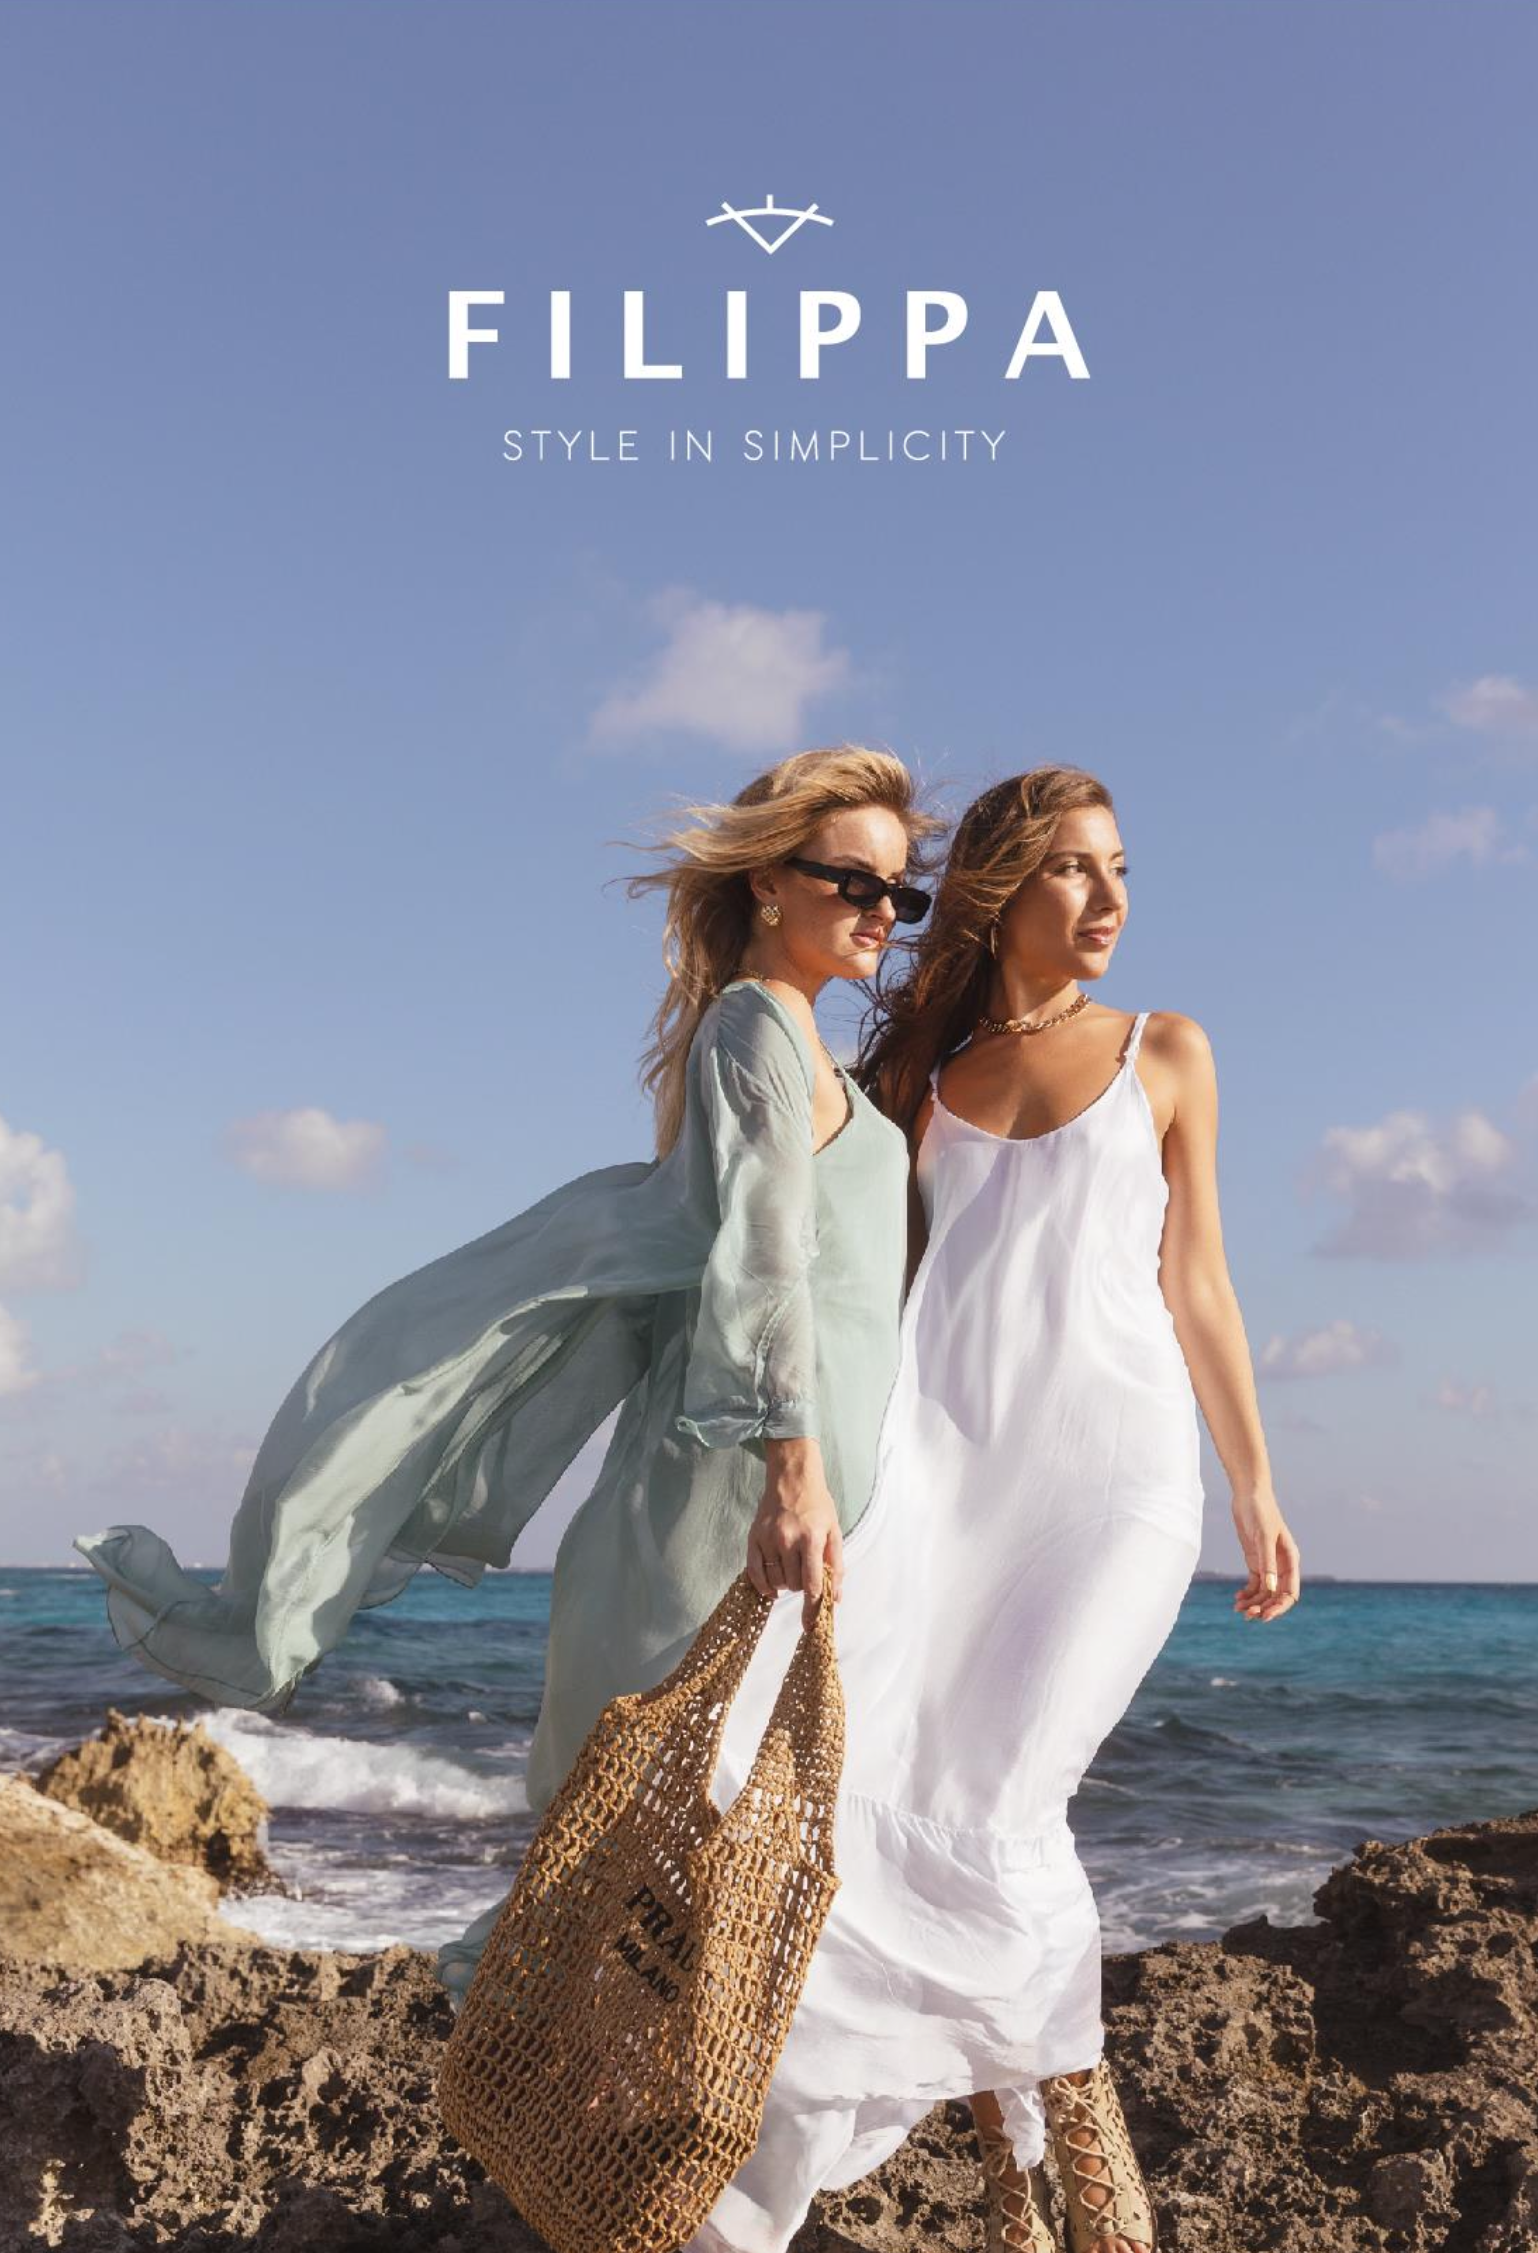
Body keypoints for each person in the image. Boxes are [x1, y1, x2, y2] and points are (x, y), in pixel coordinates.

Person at [657, 765, 1301, 2253]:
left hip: (1105, 1485)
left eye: (1118, 870)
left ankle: (1055, 2125)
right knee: (859, 1827)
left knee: (1001, 1812)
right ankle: (991, 2165)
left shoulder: (1165, 1047)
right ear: (996, 890)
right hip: (938, 1479)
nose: (1104, 901)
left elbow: (1199, 1279)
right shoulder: (912, 1080)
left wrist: (1252, 1483)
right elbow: (813, 1265)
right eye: (1070, 871)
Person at [73, 749, 939, 1933]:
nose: (884, 913)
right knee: (667, 1806)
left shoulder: (801, 1045)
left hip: (805, 1481)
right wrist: (792, 1474)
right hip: (737, 1485)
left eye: (903, 892)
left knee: (716, 1814)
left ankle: (622, 2084)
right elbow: (766, 1253)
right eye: (856, 882)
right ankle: (560, 2088)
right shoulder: (753, 1030)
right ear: (770, 884)